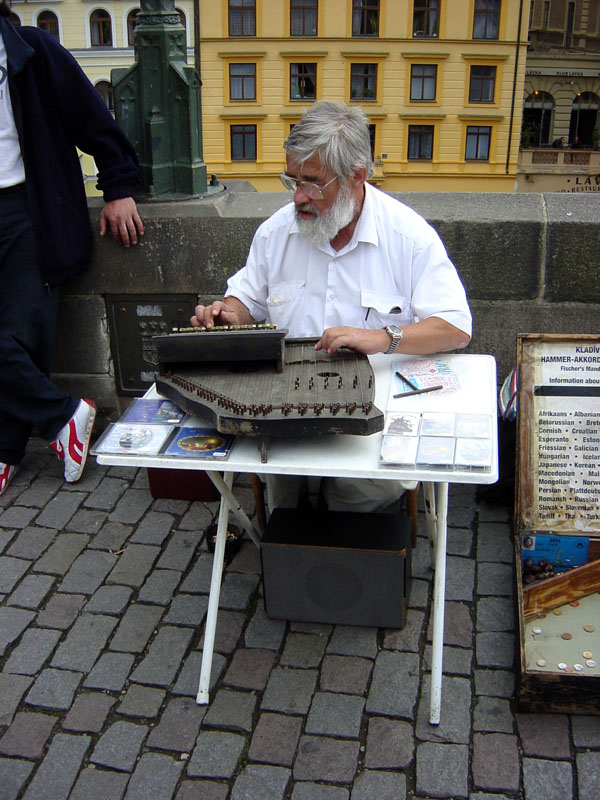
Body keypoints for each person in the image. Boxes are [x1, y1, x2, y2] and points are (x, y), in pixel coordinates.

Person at [192, 100, 471, 513]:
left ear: (356, 176)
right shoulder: (276, 233)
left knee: (355, 493)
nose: (298, 197)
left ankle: (345, 540)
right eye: (292, 180)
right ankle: (287, 541)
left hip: (374, 410)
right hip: (287, 403)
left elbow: (454, 326)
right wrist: (229, 315)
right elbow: (245, 300)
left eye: (312, 182)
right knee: (280, 487)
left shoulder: (407, 236)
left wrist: (382, 338)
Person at [0, 0, 144, 495]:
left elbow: (92, 119)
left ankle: (5, 449)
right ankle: (64, 415)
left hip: (28, 209)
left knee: (20, 333)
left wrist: (119, 187)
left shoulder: (33, 51)